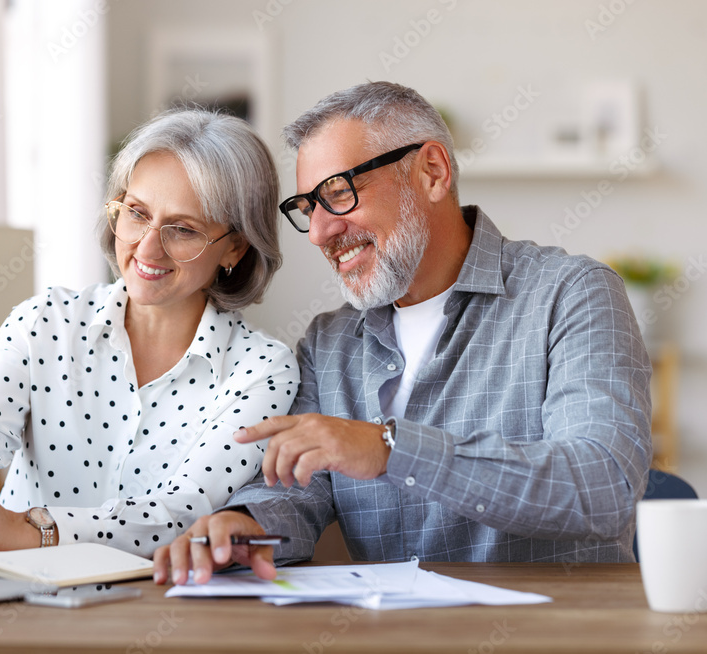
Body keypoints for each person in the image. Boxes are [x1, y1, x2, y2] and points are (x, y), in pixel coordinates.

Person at [153, 81, 652, 586]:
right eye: (309, 208)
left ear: (432, 172)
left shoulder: (572, 294)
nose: (322, 232)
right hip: (392, 634)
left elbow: (602, 484)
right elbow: (294, 491)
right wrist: (243, 526)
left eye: (339, 194)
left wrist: (391, 449)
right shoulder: (330, 342)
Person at [0, 109, 300, 558]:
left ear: (235, 247)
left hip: (159, 616)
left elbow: (181, 516)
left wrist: (27, 529)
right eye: (137, 213)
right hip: (21, 610)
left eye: (183, 229)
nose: (146, 246)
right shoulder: (45, 323)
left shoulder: (260, 370)